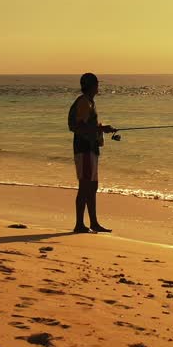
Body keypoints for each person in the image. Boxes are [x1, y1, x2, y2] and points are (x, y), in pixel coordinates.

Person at [68, 72, 116, 233]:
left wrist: (101, 128)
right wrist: (101, 129)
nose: (98, 87)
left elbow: (87, 125)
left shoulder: (89, 101)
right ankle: (79, 224)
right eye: (96, 84)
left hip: (91, 148)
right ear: (92, 86)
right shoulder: (83, 102)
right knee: (85, 186)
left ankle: (94, 223)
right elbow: (78, 126)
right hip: (84, 149)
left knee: (92, 186)